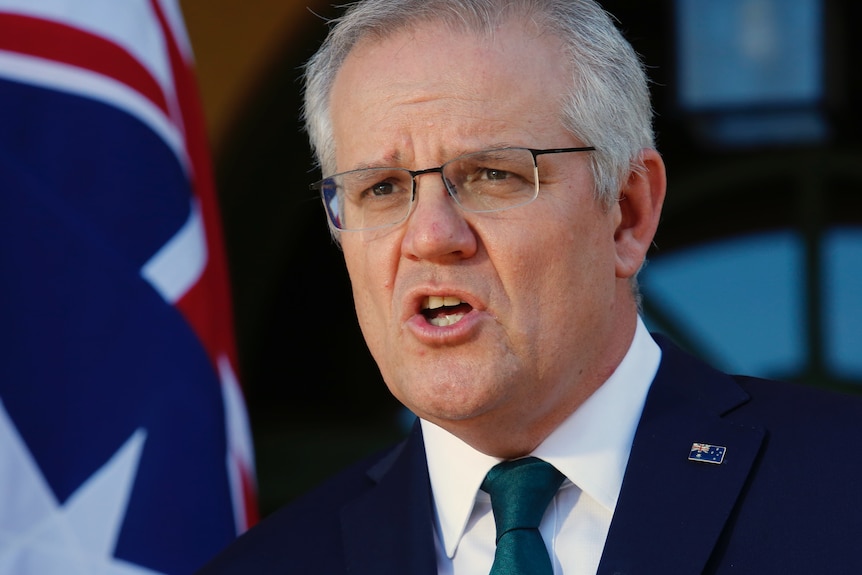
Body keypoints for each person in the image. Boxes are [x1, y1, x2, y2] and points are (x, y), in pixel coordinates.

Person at [198, 0, 862, 573]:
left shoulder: (842, 489)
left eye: (491, 175)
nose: (431, 235)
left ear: (627, 212)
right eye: (380, 188)